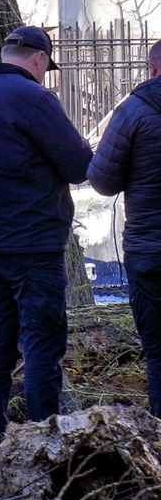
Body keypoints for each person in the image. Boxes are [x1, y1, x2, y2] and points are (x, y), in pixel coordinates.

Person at [0, 25, 93, 461]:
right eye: (47, 66)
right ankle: (45, 443)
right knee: (43, 343)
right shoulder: (34, 99)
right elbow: (79, 164)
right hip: (33, 242)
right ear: (38, 59)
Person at [87, 40, 161, 417]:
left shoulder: (133, 111)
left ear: (152, 68)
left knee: (158, 350)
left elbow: (102, 181)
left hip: (150, 250)